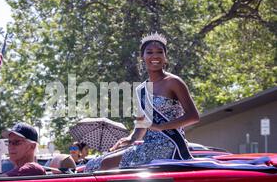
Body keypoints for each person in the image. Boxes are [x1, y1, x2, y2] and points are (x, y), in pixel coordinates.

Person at [85, 32, 200, 172]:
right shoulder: (141, 90)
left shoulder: (173, 82)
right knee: (93, 164)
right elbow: (142, 124)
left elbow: (193, 116)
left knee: (106, 165)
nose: (155, 56)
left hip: (169, 144)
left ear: (165, 57)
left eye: (159, 52)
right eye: (149, 52)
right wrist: (130, 139)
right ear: (142, 57)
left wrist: (162, 127)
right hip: (148, 144)